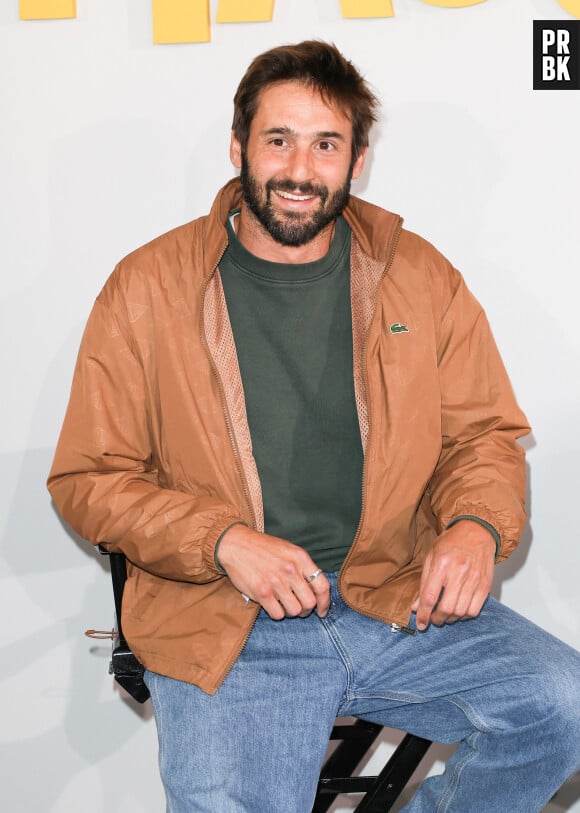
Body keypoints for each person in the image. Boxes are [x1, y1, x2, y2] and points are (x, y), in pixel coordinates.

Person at [48, 41, 579, 812]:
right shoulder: (146, 287)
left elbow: (483, 434)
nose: (301, 169)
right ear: (238, 149)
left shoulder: (419, 275)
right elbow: (88, 479)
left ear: (356, 159)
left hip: (393, 596)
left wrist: (473, 526)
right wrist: (223, 539)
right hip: (227, 619)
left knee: (562, 704)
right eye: (278, 140)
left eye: (326, 144)